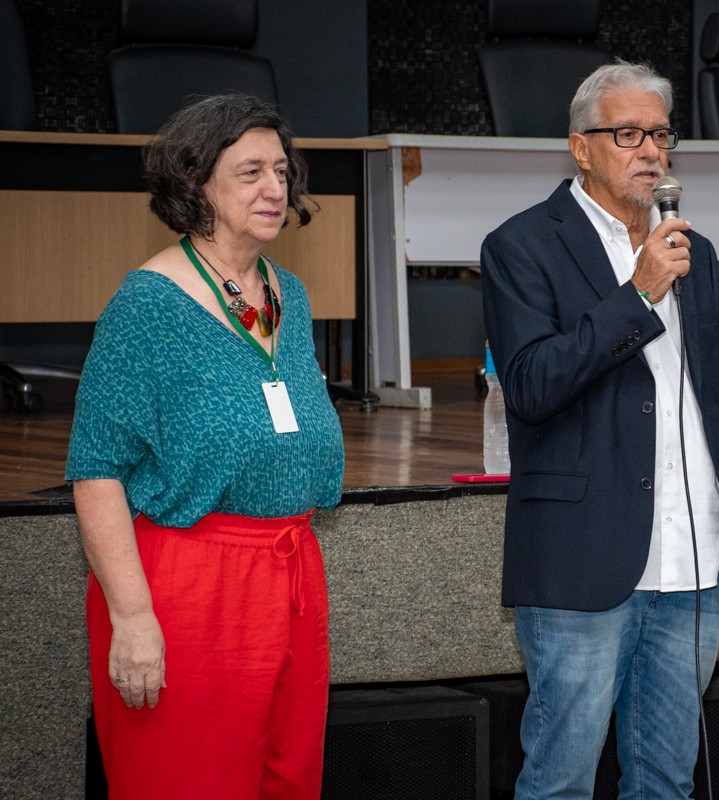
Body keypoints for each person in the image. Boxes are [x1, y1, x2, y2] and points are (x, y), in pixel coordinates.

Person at [480, 60, 719, 799]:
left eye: (662, 135)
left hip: (691, 556)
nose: (650, 152)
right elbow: (533, 386)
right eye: (628, 134)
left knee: (667, 780)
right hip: (584, 556)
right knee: (561, 781)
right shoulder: (521, 246)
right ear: (581, 148)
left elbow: (712, 393)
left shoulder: (688, 249)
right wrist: (637, 293)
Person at [66, 94, 344, 799]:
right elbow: (97, 470)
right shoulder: (148, 304)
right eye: (250, 172)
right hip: (193, 588)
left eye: (282, 170)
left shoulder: (291, 294)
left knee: (288, 783)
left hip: (293, 578)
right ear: (197, 182)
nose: (275, 188)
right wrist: (131, 618)